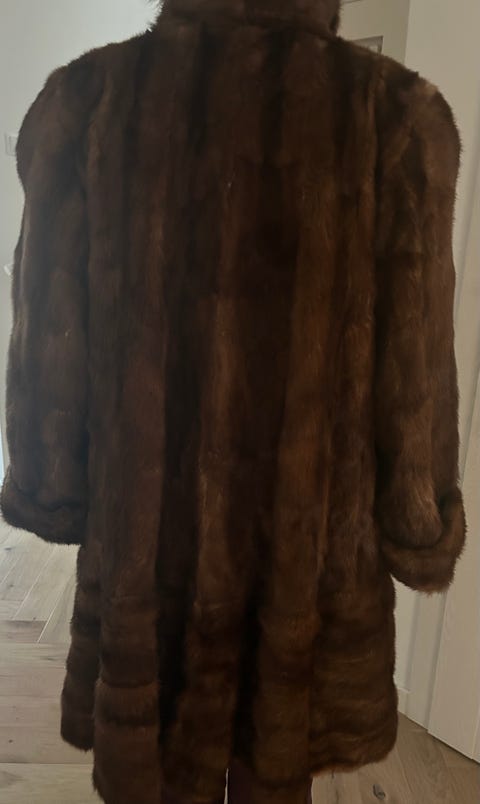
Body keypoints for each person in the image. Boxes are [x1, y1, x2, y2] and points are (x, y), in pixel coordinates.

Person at [0, 1, 466, 802]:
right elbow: (415, 364)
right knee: (275, 769)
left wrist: (52, 485)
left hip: (149, 548)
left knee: (161, 765)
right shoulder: (391, 116)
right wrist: (416, 521)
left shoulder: (88, 103)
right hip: (305, 555)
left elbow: (50, 338)